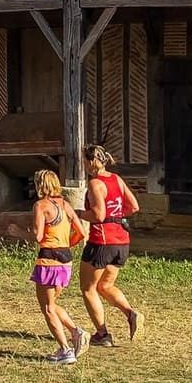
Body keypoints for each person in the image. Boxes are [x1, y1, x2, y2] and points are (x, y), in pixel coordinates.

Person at [78, 144, 142, 346]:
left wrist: (78, 213)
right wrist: (117, 216)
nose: (84, 165)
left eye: (84, 161)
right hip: (121, 241)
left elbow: (98, 214)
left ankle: (102, 334)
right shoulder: (117, 179)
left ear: (91, 162)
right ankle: (131, 314)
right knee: (105, 285)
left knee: (88, 289)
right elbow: (134, 206)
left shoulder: (95, 184)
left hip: (101, 241)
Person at [30, 169, 89, 365]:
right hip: (66, 260)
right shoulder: (65, 205)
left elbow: (38, 237)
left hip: (48, 261)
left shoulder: (41, 206)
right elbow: (81, 232)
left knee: (47, 308)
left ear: (40, 185)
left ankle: (65, 350)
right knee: (53, 304)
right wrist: (66, 244)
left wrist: (18, 230)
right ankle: (75, 332)